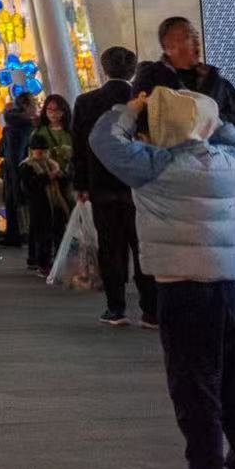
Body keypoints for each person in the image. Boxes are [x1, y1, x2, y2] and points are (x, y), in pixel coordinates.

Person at [92, 87, 235, 469]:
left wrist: (131, 108)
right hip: (230, 292)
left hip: (183, 293)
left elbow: (103, 140)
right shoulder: (228, 164)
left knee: (195, 394)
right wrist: (213, 123)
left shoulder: (153, 166)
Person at [137, 18, 235, 361]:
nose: (196, 44)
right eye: (187, 38)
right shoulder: (155, 79)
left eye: (196, 37)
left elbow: (231, 118)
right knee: (212, 258)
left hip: (224, 177)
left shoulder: (213, 78)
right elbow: (189, 120)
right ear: (168, 45)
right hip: (185, 184)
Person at [72, 46, 158, 327]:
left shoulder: (85, 102)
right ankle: (151, 309)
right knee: (142, 245)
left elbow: (79, 147)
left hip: (102, 185)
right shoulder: (144, 100)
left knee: (110, 247)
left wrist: (81, 184)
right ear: (133, 71)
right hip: (139, 184)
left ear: (104, 68)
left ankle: (116, 307)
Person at [22, 94, 73, 274]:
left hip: (65, 178)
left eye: (57, 110)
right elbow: (31, 161)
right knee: (43, 222)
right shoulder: (40, 132)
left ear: (64, 111)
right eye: (49, 109)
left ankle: (60, 254)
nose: (53, 114)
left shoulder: (70, 131)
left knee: (61, 217)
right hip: (46, 182)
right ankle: (40, 258)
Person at [0, 92, 38, 247]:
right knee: (30, 203)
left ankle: (13, 235)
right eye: (33, 105)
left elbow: (0, 151)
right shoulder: (28, 126)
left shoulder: (9, 127)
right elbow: (22, 151)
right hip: (23, 169)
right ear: (27, 106)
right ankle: (29, 235)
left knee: (11, 203)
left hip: (9, 170)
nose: (35, 108)